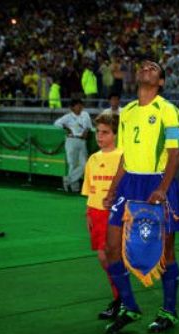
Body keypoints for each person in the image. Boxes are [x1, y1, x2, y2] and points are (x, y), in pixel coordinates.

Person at [102, 60, 179, 334]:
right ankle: (129, 306)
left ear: (160, 82)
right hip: (129, 183)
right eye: (143, 67)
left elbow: (175, 153)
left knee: (165, 252)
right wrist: (113, 188)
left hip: (158, 182)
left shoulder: (169, 112)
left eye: (153, 68)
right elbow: (124, 156)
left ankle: (169, 311)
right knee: (112, 247)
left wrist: (163, 187)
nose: (146, 69)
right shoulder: (126, 112)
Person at [81, 112, 123, 320]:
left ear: (115, 134)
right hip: (96, 214)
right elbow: (90, 190)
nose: (100, 136)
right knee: (104, 258)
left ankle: (121, 300)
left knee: (110, 257)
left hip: (114, 214)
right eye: (98, 132)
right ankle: (120, 298)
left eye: (105, 132)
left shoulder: (123, 158)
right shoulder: (93, 159)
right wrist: (88, 213)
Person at [54, 97, 93, 193]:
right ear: (72, 108)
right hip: (72, 140)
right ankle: (74, 188)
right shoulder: (67, 117)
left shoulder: (85, 115)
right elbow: (56, 123)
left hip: (82, 141)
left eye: (81, 106)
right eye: (78, 106)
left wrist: (86, 131)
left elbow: (89, 126)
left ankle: (68, 180)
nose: (80, 108)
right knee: (72, 164)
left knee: (85, 165)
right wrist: (66, 127)